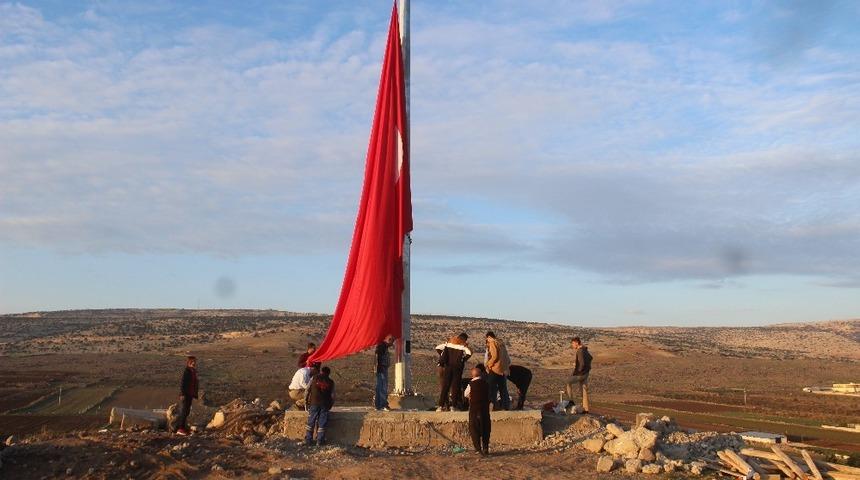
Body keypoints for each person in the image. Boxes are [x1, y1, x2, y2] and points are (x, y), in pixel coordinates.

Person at [436, 333, 472, 411]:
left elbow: (438, 347)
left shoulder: (448, 344)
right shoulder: (462, 346)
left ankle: (440, 406)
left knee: (445, 387)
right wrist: (464, 359)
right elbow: (469, 353)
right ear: (464, 339)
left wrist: (442, 355)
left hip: (448, 367)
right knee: (455, 387)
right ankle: (453, 406)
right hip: (457, 369)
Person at [305, 366, 335, 446]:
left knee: (311, 421)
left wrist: (306, 402)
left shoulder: (314, 378)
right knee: (322, 423)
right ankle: (319, 441)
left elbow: (307, 390)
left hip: (314, 403)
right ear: (328, 373)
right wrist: (330, 405)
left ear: (321, 371)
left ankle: (308, 440)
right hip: (325, 405)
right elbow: (333, 396)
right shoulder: (331, 382)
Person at [464, 365, 491, 455]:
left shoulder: (471, 384)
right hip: (485, 409)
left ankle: (478, 449)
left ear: (472, 375)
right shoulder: (486, 383)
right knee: (486, 428)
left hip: (474, 409)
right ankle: (486, 448)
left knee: (474, 428)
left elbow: (466, 394)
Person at [484, 331, 511, 411]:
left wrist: (488, 364)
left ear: (488, 337)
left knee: (490, 388)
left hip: (495, 369)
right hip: (503, 370)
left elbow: (494, 356)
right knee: (503, 389)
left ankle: (492, 405)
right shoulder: (501, 344)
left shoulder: (492, 343)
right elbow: (507, 359)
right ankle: (505, 406)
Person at [565, 337, 592, 413]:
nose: (572, 345)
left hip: (581, 374)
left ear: (576, 343)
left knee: (568, 382)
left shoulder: (579, 351)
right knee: (584, 390)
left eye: (573, 343)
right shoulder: (585, 349)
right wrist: (588, 368)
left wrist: (578, 372)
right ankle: (586, 409)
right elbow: (590, 357)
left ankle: (571, 401)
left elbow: (582, 364)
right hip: (586, 373)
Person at [176, 355, 198, 436]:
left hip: (190, 394)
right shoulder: (187, 371)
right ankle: (180, 428)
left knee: (187, 411)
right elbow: (183, 383)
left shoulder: (193, 371)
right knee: (184, 411)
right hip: (186, 394)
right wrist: (182, 393)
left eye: (195, 361)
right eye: (193, 361)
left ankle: (183, 428)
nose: (194, 363)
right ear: (189, 362)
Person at [374, 334, 395, 411]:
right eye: (391, 342)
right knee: (382, 387)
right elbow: (378, 359)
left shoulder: (383, 347)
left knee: (380, 387)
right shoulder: (381, 347)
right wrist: (378, 368)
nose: (392, 344)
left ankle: (378, 405)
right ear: (389, 340)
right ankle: (382, 404)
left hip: (381, 369)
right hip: (381, 369)